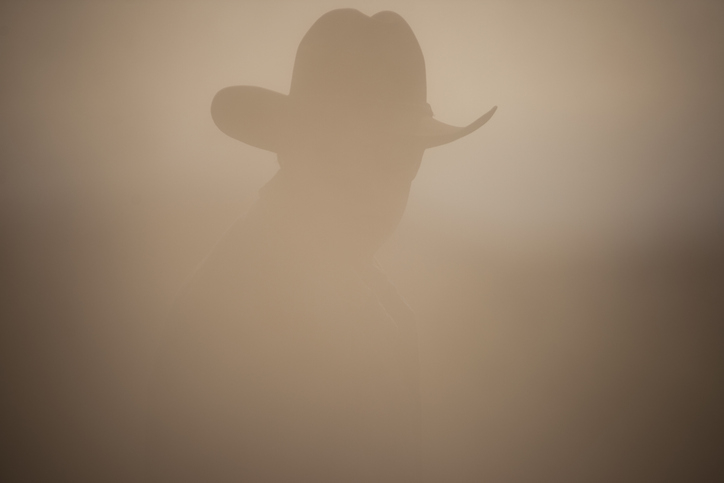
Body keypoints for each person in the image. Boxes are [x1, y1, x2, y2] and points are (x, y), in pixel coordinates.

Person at [145, 8, 496, 483]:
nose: (384, 186)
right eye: (359, 155)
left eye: (403, 157)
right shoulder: (236, 322)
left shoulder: (365, 298)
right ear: (296, 149)